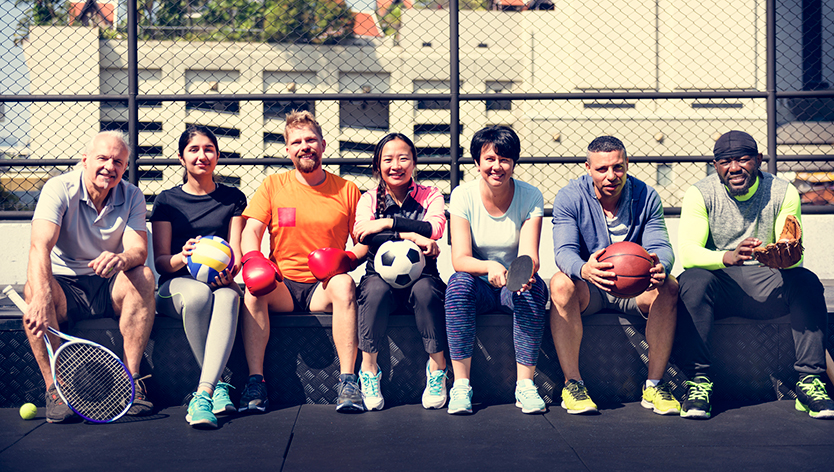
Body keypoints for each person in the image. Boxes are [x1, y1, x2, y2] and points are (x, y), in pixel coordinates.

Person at [675, 130, 834, 419]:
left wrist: (781, 255)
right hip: (722, 282)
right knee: (692, 280)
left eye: (743, 159)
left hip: (766, 281)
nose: (734, 168)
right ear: (715, 166)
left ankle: (810, 382)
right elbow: (687, 253)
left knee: (806, 281)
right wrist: (728, 256)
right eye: (725, 162)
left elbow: (791, 256)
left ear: (758, 160)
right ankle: (698, 382)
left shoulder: (783, 191)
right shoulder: (700, 192)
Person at [22, 130, 156, 423]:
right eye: (103, 158)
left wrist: (121, 258)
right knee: (34, 291)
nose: (110, 166)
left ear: (124, 167)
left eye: (118, 162)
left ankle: (132, 382)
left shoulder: (132, 194)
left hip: (108, 283)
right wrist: (42, 296)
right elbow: (39, 246)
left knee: (143, 276)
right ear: (85, 160)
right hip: (66, 285)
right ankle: (55, 388)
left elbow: (138, 250)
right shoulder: (58, 188)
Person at [239, 110, 368, 413]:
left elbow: (364, 243)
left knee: (345, 285)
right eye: (296, 141)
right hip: (282, 283)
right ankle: (255, 382)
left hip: (322, 285)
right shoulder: (273, 185)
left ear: (323, 145)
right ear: (287, 150)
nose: (304, 146)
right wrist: (253, 259)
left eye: (310, 139)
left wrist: (347, 258)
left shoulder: (347, 189)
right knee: (252, 289)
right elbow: (251, 230)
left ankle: (348, 381)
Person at [549, 136, 679, 416]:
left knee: (669, 285)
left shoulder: (646, 195)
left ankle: (654, 385)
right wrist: (584, 269)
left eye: (618, 167)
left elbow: (661, 247)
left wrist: (661, 265)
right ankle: (573, 384)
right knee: (559, 284)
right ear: (588, 168)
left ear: (627, 164)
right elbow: (564, 251)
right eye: (602, 169)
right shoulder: (570, 196)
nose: (611, 176)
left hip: (634, 287)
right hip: (592, 286)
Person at [444, 125, 549, 415]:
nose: (497, 166)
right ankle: (461, 385)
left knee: (535, 288)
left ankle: (525, 386)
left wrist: (521, 276)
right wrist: (490, 266)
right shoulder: (462, 196)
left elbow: (530, 256)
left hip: (512, 285)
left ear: (514, 162)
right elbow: (460, 259)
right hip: (479, 282)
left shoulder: (530, 196)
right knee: (457, 285)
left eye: (504, 159)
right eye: (489, 159)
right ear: (477, 163)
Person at [150, 126, 247, 428]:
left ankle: (204, 393)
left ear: (217, 156)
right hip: (175, 288)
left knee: (230, 296)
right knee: (198, 295)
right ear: (181, 158)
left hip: (218, 283)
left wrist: (230, 273)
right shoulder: (166, 200)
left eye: (208, 149)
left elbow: (238, 253)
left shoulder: (233, 198)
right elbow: (162, 262)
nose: (202, 155)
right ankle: (216, 386)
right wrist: (184, 255)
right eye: (194, 149)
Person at [353, 133, 448, 411]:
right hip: (378, 276)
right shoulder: (368, 198)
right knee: (373, 291)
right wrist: (413, 236)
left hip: (423, 276)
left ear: (414, 162)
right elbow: (363, 235)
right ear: (377, 165)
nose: (396, 165)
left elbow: (435, 229)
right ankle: (369, 371)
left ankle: (437, 368)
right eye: (388, 159)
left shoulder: (431, 195)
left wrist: (385, 224)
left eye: (404, 158)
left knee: (426, 292)